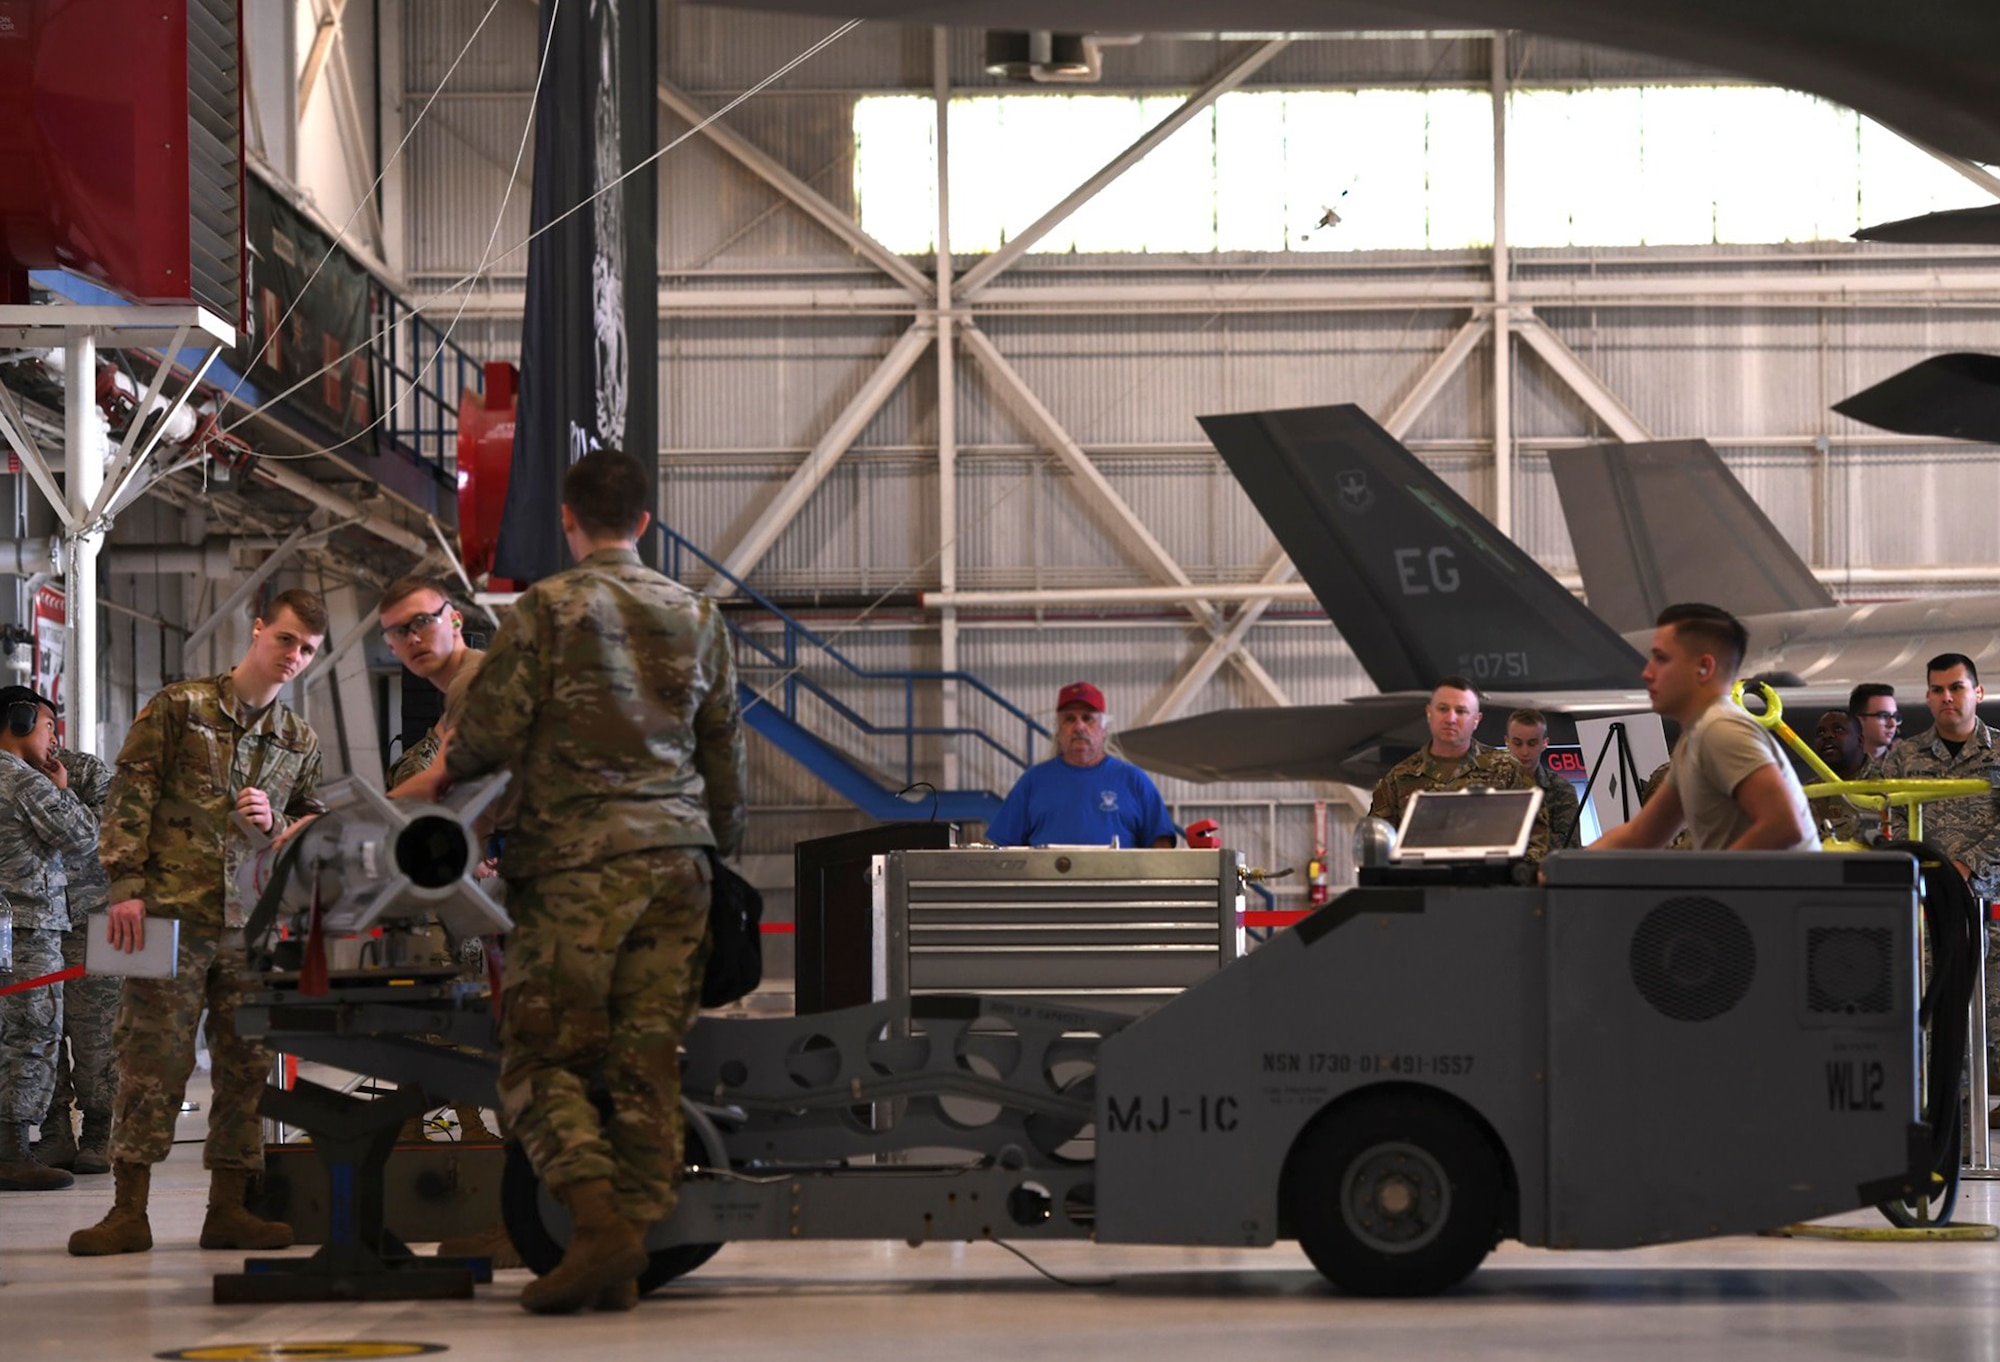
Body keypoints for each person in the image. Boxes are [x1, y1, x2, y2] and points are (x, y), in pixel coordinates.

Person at [407, 447, 746, 1314]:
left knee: (537, 1059)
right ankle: (624, 1252)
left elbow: (481, 736)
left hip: (575, 872)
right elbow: (724, 758)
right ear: (642, 521)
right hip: (679, 869)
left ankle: (596, 1224)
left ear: (568, 521)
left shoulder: (546, 612)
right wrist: (716, 847)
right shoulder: (699, 615)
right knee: (645, 1062)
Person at [69, 588, 328, 1257]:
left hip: (251, 928)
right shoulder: (181, 708)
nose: (294, 656)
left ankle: (229, 1210)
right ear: (259, 628)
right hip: (168, 916)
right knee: (151, 1062)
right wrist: (125, 884)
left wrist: (280, 821)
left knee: (245, 1068)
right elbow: (131, 793)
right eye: (287, 639)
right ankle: (129, 1212)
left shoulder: (298, 738)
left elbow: (314, 827)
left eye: (307, 650)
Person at [1593, 604, 1817, 852]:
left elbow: (1784, 826)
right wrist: (1553, 869)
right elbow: (1640, 835)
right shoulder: (1696, 739)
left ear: (1704, 668)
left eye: (1661, 659)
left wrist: (1711, 882)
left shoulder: (1720, 729)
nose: (1647, 673)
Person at [1877, 653, 2000, 1090]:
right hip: (1924, 917)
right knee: (1934, 1034)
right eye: (1937, 690)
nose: (1946, 697)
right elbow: (1879, 822)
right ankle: (1945, 1137)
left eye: (1957, 687)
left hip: (1988, 912)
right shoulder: (1902, 759)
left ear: (1978, 693)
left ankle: (1978, 1137)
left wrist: (1968, 868)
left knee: (1989, 1029)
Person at [0, 686, 98, 1192]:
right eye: (48, 727)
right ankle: (12, 1152)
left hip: (5, 929)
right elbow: (83, 836)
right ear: (17, 723)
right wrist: (64, 789)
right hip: (28, 929)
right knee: (32, 1034)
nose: (54, 740)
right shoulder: (25, 783)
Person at [31, 745, 118, 1175]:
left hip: (89, 924)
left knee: (96, 1038)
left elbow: (109, 837)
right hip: (31, 925)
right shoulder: (8, 774)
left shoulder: (84, 770)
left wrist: (60, 793)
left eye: (48, 726)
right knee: (35, 1033)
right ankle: (54, 1133)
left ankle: (100, 1132)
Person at [1369, 677, 1551, 861]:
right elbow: (1377, 842)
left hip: (1490, 885)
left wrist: (1517, 875)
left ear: (1476, 720)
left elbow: (1538, 836)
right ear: (1429, 713)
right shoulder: (1399, 777)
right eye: (1442, 709)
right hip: (1425, 885)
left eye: (1461, 711)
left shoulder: (1508, 770)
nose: (1451, 719)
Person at [985, 683, 1178, 849]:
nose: (1079, 727)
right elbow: (1000, 846)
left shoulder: (1134, 781)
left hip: (1117, 892)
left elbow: (1161, 844)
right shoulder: (1033, 782)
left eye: (1088, 718)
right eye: (1069, 719)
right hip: (1049, 892)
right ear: (1059, 730)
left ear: (1103, 729)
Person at [379, 576, 486, 792]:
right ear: (393, 649)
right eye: (398, 632)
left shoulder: (474, 678)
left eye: (423, 621)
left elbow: (434, 783)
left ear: (455, 621)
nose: (412, 639)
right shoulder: (461, 690)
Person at [1504, 708, 1581, 849]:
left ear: (1544, 743)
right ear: (1507, 741)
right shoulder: (1492, 785)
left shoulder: (1561, 790)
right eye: (1517, 743)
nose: (1524, 752)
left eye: (1532, 743)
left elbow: (1570, 847)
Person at [1808, 710, 1873, 844]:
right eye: (1820, 733)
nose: (1827, 736)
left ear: (1860, 740)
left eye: (1838, 729)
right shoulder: (1806, 793)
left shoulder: (1886, 783)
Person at [1850, 683, 1901, 764]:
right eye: (1884, 716)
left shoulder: (1906, 761)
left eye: (1895, 716)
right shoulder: (1840, 762)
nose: (1892, 724)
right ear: (1858, 720)